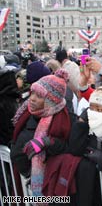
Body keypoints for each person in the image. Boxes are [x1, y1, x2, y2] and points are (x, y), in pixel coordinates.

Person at [10, 69, 71, 197]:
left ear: (51, 101)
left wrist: (47, 142)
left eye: (39, 96)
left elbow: (70, 148)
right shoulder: (26, 113)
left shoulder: (64, 119)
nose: (31, 99)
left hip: (52, 188)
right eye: (32, 93)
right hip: (26, 184)